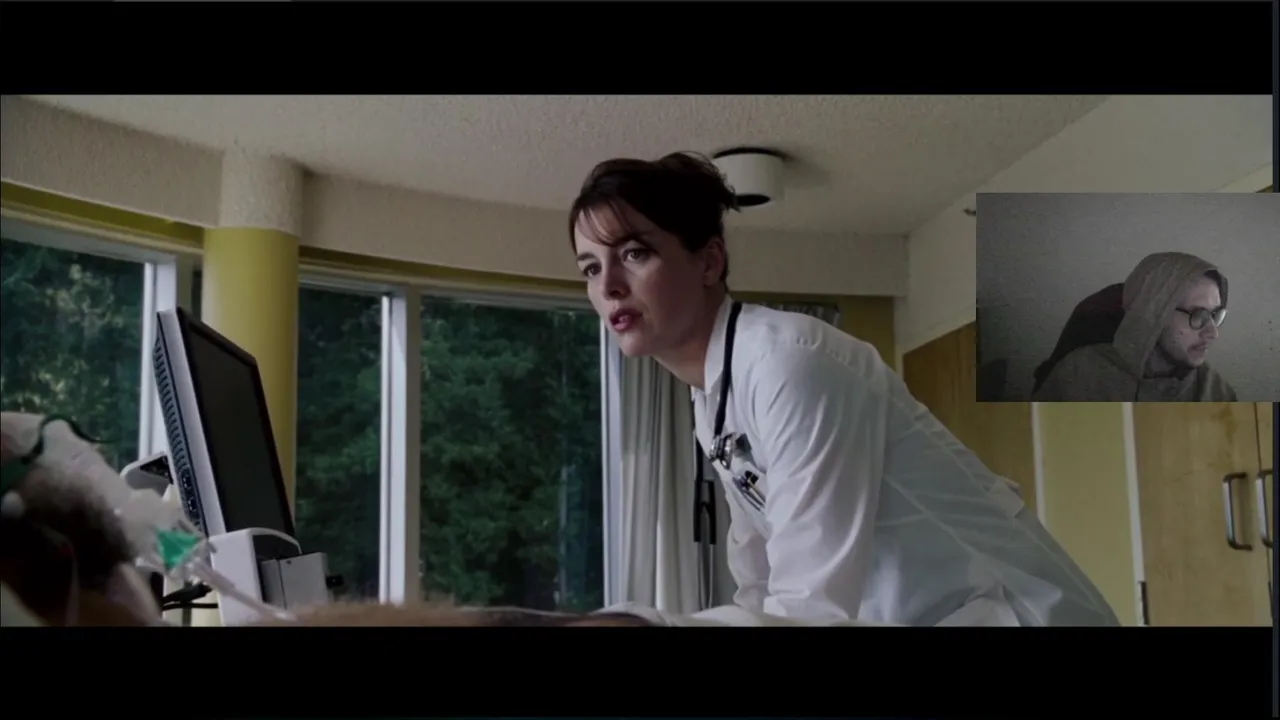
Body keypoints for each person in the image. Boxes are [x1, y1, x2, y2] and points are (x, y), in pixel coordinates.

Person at [568, 152, 1120, 627]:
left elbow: (809, 608)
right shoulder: (715, 394)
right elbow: (760, 583)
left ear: (709, 261)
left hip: (1016, 614)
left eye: (634, 253)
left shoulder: (789, 362)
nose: (608, 286)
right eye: (591, 268)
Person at [1033, 252, 1236, 402]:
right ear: (1153, 312)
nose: (1213, 333)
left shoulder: (1216, 393)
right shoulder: (1077, 375)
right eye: (1198, 315)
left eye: (1215, 315)